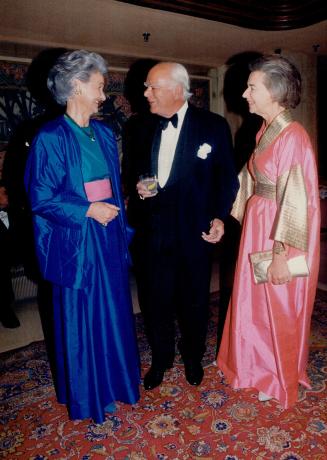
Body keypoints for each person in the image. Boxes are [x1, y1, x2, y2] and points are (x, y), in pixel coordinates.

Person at [24, 49, 140, 423]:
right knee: (82, 318)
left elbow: (109, 184)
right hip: (77, 240)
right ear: (76, 85)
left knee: (115, 311)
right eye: (100, 86)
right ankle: (90, 397)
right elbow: (40, 197)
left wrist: (130, 194)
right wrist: (88, 210)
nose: (104, 95)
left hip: (108, 234)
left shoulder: (104, 132)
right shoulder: (50, 137)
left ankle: (119, 384)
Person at [217, 55, 321, 408]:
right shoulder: (264, 130)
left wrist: (281, 256)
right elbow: (252, 179)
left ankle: (279, 376)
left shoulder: (294, 135)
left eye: (252, 87)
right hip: (260, 223)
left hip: (280, 233)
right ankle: (256, 368)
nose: (245, 94)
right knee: (256, 304)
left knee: (278, 306)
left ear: (274, 92)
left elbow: (296, 203)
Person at [128, 61, 239, 390]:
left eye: (152, 87)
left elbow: (227, 181)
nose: (145, 93)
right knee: (155, 301)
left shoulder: (214, 126)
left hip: (195, 233)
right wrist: (138, 186)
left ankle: (193, 357)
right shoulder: (138, 127)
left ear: (177, 89)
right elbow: (133, 170)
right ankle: (161, 359)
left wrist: (220, 215)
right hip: (153, 234)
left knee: (195, 301)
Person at [0, 181, 20, 328]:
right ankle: (5, 310)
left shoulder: (15, 211)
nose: (8, 196)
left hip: (16, 255)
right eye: (4, 193)